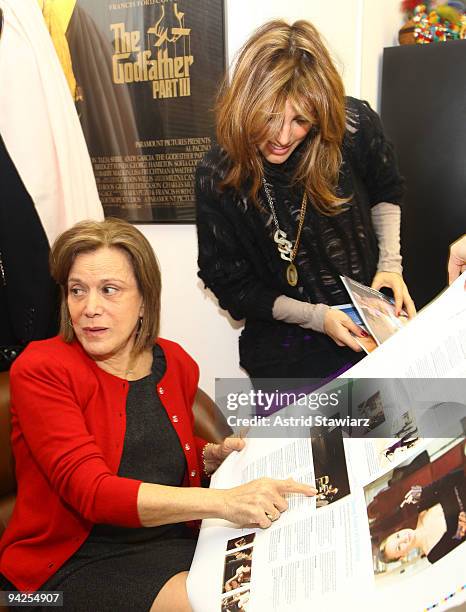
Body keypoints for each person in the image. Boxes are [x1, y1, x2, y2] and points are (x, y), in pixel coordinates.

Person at [0, 219, 315, 611]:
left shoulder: (174, 363)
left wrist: (206, 456)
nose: (89, 308)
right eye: (77, 291)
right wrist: (224, 502)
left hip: (168, 540)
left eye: (109, 290)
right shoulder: (41, 369)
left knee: (281, 577)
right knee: (214, 603)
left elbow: (148, 444)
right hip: (66, 566)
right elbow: (92, 492)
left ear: (145, 299)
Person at [196, 19, 416, 380]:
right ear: (245, 106)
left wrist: (390, 265)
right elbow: (232, 285)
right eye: (269, 118)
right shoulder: (219, 174)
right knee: (305, 438)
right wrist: (317, 317)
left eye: (300, 120)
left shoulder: (351, 125)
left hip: (374, 332)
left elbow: (386, 190)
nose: (283, 136)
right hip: (286, 353)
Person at [379, 469, 466, 565]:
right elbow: (460, 545)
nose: (403, 538)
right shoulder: (434, 555)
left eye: (397, 536)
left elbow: (456, 476)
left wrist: (423, 491)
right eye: (399, 547)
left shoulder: (422, 508)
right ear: (402, 557)